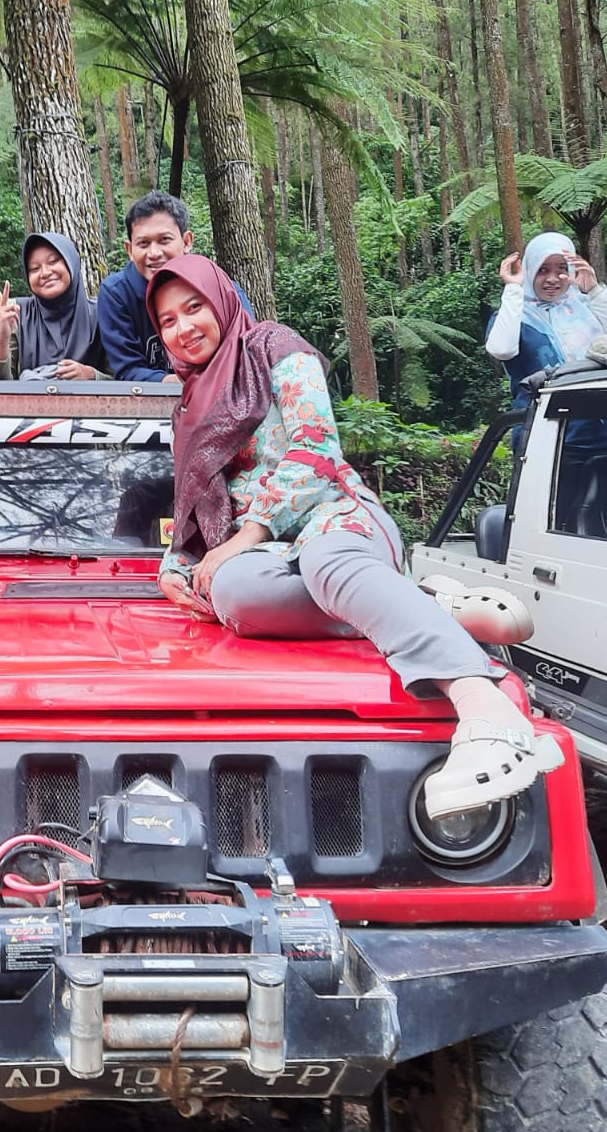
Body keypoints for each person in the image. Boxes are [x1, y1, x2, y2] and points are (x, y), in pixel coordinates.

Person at [147, 254, 557, 822]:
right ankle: (417, 603)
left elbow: (315, 447)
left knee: (326, 562)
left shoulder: (274, 347)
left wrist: (247, 534)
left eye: (194, 307)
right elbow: (191, 506)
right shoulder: (189, 406)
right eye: (168, 321)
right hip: (266, 557)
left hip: (334, 515)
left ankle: (488, 712)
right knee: (234, 593)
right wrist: (173, 569)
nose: (184, 327)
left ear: (221, 301)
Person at [487, 233, 607, 530]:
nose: (553, 279)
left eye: (561, 269)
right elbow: (501, 349)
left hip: (603, 434)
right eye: (543, 270)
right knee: (552, 525)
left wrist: (593, 290)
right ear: (529, 270)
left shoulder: (585, 308)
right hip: (546, 436)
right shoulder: (516, 313)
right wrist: (514, 290)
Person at [97, 191, 252, 383]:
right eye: (143, 243)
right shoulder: (117, 293)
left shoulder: (222, 289)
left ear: (186, 241)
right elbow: (127, 369)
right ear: (129, 250)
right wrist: (180, 383)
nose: (154, 253)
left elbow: (247, 352)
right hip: (152, 397)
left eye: (164, 240)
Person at [0, 231, 107, 380]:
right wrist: (3, 336)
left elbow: (122, 379)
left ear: (71, 263)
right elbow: (1, 380)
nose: (45, 273)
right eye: (34, 269)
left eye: (53, 262)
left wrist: (90, 374)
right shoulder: (16, 312)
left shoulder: (101, 313)